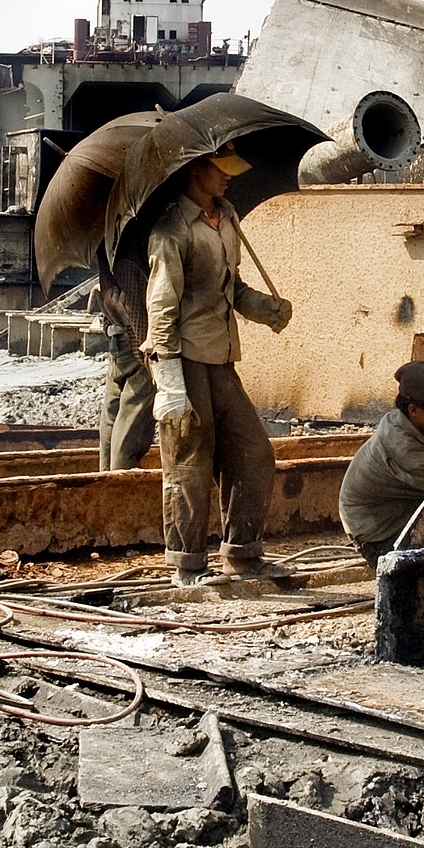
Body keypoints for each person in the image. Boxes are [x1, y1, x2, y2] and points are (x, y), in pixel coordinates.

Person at [144, 147, 294, 583]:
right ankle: (186, 565)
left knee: (253, 455)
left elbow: (233, 289)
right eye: (220, 171)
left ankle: (243, 555)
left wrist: (266, 309)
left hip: (222, 357)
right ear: (195, 170)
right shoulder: (171, 231)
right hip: (184, 359)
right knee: (189, 463)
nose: (230, 178)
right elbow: (162, 310)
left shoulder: (227, 219)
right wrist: (169, 382)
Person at [338, 359, 424, 560]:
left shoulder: (422, 426)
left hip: (398, 515)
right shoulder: (403, 447)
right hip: (377, 537)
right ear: (414, 410)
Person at [95, 246, 155, 471]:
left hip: (122, 346)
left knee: (114, 433)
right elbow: (138, 312)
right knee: (121, 442)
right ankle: (115, 494)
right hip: (132, 349)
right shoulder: (129, 250)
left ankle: (108, 490)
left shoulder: (105, 246)